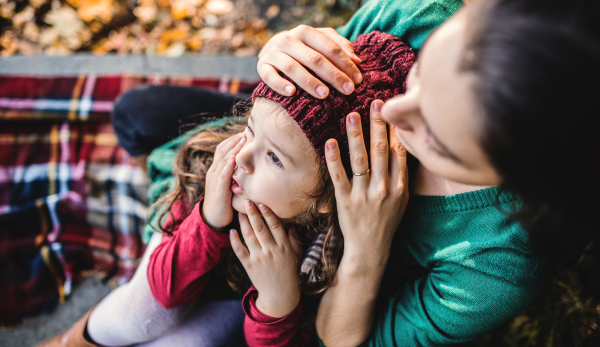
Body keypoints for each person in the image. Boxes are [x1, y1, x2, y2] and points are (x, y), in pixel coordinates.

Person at [254, 0, 600, 346]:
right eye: (421, 71)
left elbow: (340, 340)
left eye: (437, 138)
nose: (395, 109)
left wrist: (366, 248)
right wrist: (283, 58)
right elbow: (286, 112)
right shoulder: (415, 14)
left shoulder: (496, 270)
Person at [36, 31, 415, 346]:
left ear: (327, 200)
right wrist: (209, 218)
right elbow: (163, 293)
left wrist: (277, 299)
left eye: (275, 159)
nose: (242, 157)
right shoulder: (210, 173)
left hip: (246, 297)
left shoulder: (323, 255)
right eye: (250, 130)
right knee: (141, 311)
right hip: (185, 248)